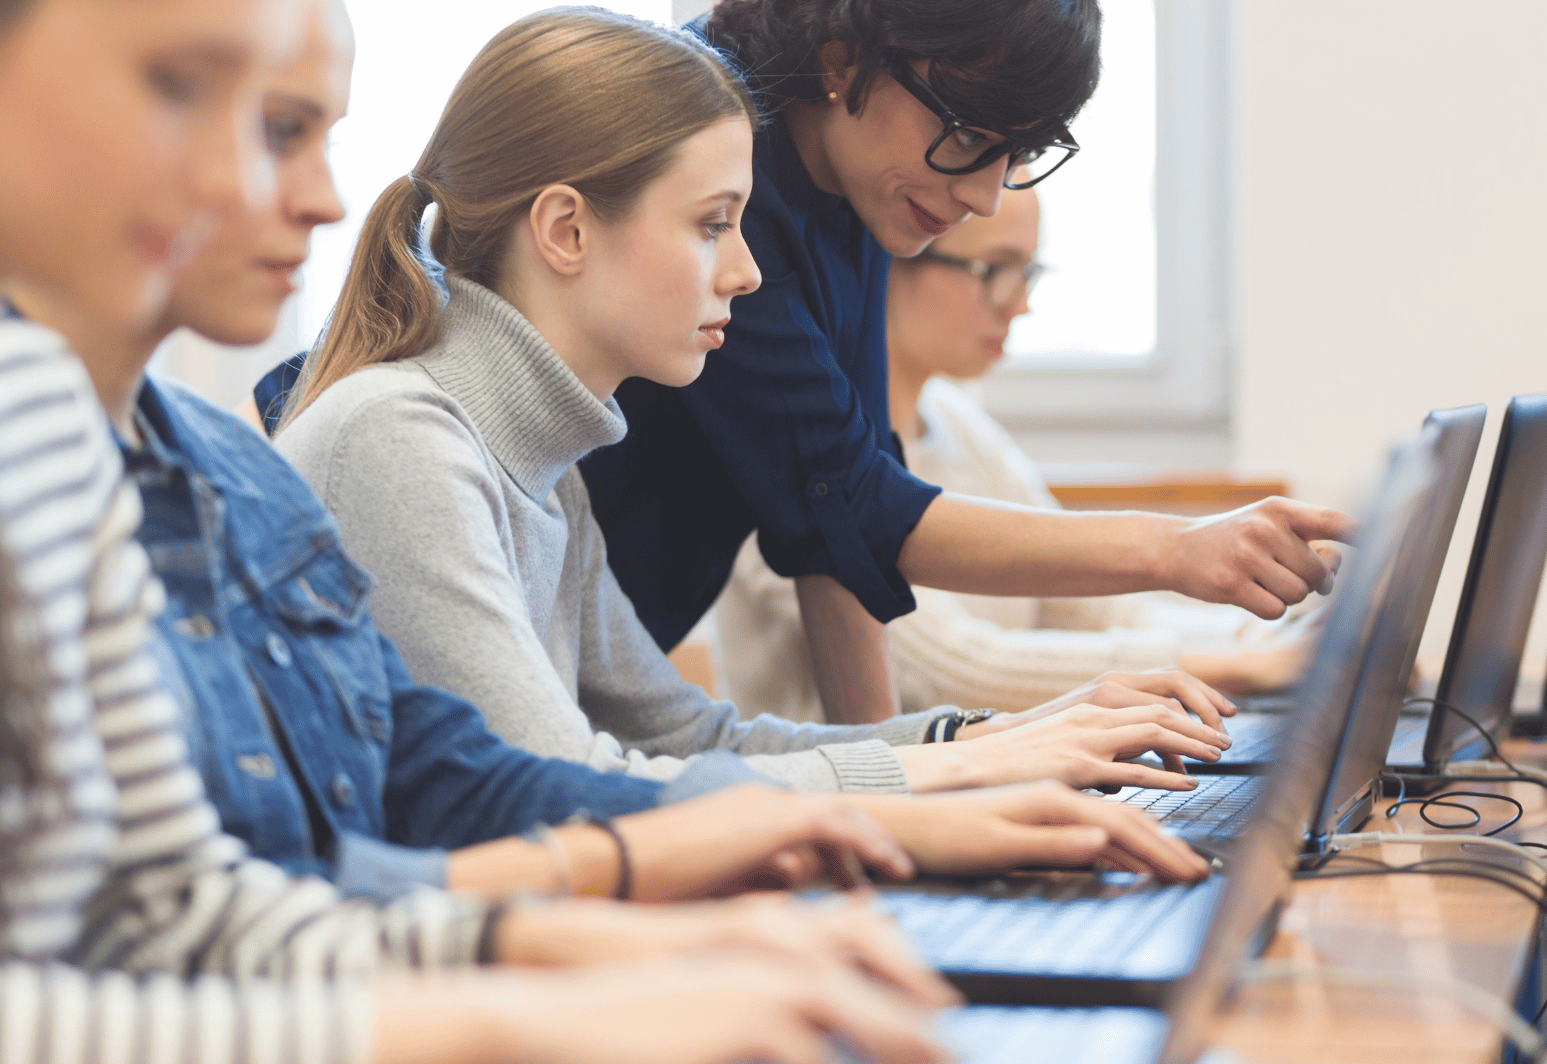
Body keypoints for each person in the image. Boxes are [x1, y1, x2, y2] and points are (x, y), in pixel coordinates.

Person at [10, 2, 1214, 903]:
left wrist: (971, 750)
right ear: (567, 229)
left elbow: (658, 750)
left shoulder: (540, 462)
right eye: (712, 226)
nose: (746, 273)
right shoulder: (395, 440)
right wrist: (930, 797)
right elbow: (539, 797)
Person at [0, 0, 955, 1064]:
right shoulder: (382, 437)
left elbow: (200, 914)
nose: (309, 197)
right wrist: (528, 993)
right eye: (188, 94)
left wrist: (551, 931)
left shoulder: (163, 451)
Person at [258, 0, 1356, 729]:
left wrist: (928, 779)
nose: (982, 194)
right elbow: (864, 511)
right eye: (973, 136)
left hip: (586, 723)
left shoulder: (846, 202)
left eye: (1019, 155)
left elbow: (831, 541)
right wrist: (1172, 553)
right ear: (845, 66)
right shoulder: (413, 445)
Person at [718, 184, 1324, 722]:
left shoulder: (959, 424)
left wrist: (1283, 631)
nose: (1020, 302)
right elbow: (957, 672)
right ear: (892, 259)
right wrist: (1251, 665)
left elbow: (1097, 616)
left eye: (1029, 272)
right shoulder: (790, 446)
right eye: (993, 268)